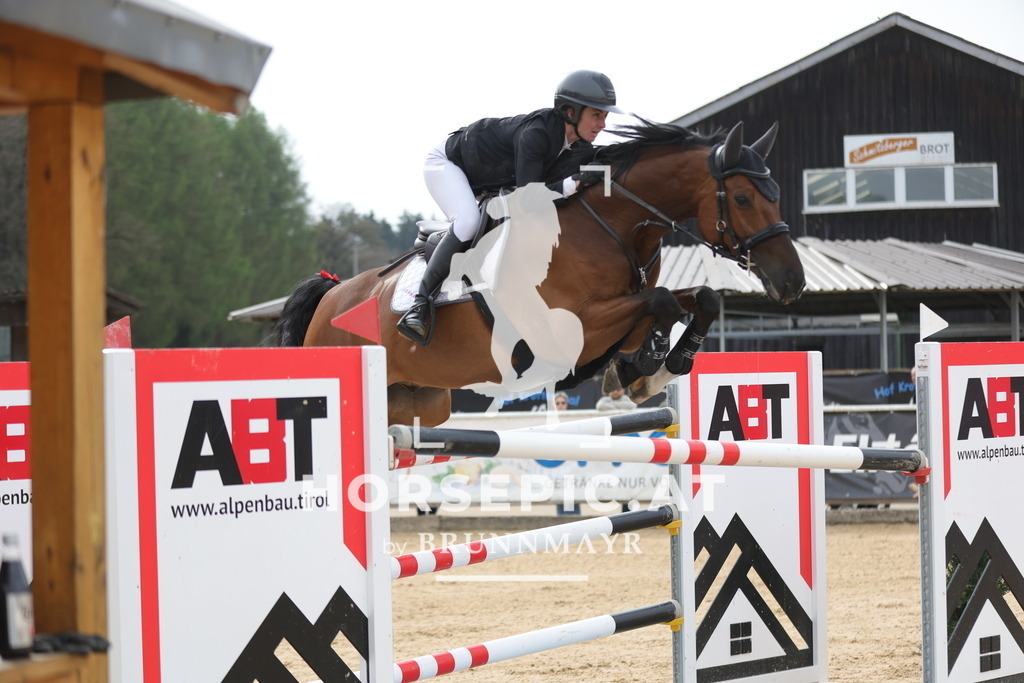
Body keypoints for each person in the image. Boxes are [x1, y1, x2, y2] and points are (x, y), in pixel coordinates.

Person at [397, 70, 623, 345]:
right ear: (570, 112)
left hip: (488, 183)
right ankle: (418, 306)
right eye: (597, 115)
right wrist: (573, 183)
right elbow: (527, 201)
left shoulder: (576, 145)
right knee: (467, 222)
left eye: (605, 117)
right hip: (448, 165)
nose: (602, 124)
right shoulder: (537, 134)